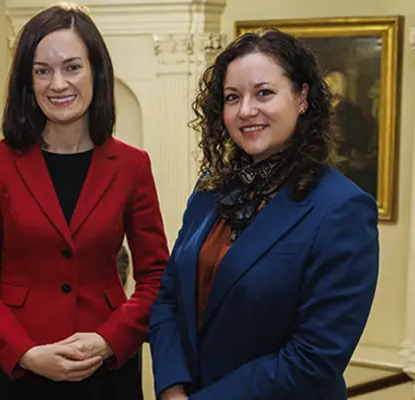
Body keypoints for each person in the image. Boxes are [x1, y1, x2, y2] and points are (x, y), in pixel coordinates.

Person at [0, 3, 169, 399]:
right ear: (27, 81)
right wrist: (26, 352)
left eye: (72, 67)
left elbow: (157, 278)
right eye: (42, 70)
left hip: (105, 370)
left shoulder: (133, 165)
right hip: (18, 371)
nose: (58, 84)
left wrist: (107, 340)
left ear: (96, 72)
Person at [148, 29, 379, 400]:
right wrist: (172, 388)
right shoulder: (212, 188)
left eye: (264, 93)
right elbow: (169, 297)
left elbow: (313, 359)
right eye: (232, 97)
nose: (246, 110)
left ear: (302, 98)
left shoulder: (343, 209)